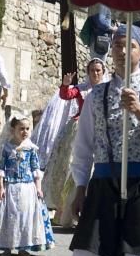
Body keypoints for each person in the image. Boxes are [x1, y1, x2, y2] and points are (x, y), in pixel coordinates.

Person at [69, 25, 140, 256]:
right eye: (117, 45)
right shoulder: (96, 95)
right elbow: (84, 145)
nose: (123, 51)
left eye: (131, 45)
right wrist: (80, 186)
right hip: (104, 183)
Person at [43, 57, 107, 225]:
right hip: (79, 129)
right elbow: (66, 95)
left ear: (103, 72)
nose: (95, 73)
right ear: (88, 72)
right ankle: (66, 210)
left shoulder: (108, 90)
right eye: (92, 70)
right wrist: (65, 84)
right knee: (71, 169)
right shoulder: (82, 89)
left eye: (98, 70)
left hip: (100, 130)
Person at [0, 117, 54, 256]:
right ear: (13, 130)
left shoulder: (31, 148)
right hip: (10, 187)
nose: (25, 131)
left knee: (26, 217)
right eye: (21, 128)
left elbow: (35, 170)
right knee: (8, 218)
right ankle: (6, 248)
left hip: (27, 187)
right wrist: (1, 188)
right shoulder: (7, 148)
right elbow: (0, 169)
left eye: (27, 128)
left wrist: (38, 188)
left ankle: (23, 248)